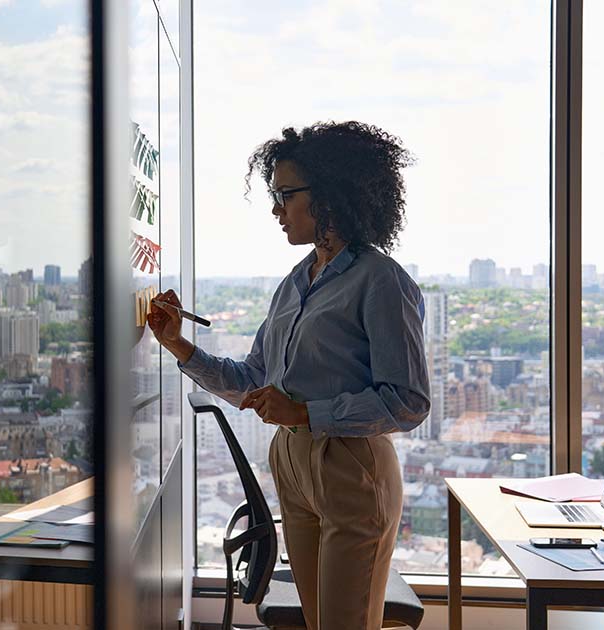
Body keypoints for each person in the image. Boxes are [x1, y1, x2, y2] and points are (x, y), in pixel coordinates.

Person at [147, 121, 431, 630]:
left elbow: (408, 401)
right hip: (293, 462)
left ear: (327, 195)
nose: (276, 210)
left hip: (350, 466)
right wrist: (179, 345)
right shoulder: (296, 282)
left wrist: (305, 411)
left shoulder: (381, 281)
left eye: (284, 195)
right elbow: (253, 377)